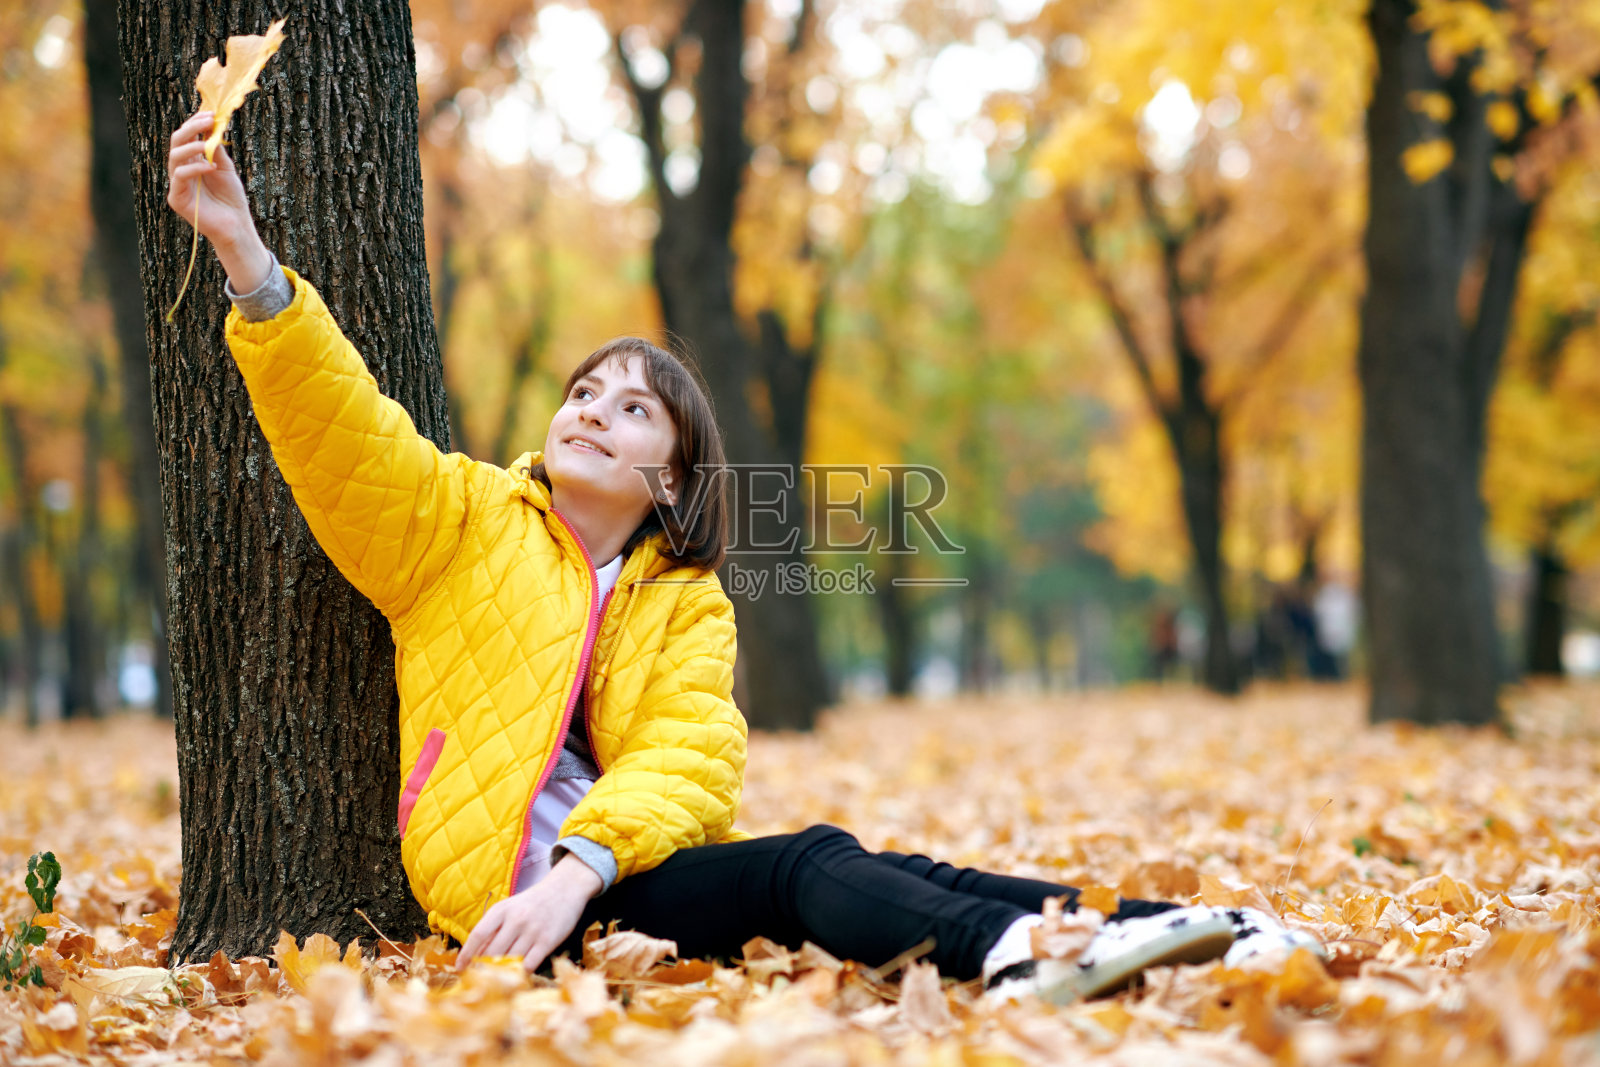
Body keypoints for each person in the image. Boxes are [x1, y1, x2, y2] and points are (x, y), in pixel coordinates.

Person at [165, 111, 1320, 1003]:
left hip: (602, 876)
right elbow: (342, 431)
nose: (589, 412)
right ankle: (1016, 953)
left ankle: (1167, 924)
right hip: (517, 896)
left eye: (631, 409)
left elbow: (689, 755)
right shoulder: (456, 524)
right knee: (802, 863)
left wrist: (590, 861)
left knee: (878, 859)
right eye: (582, 394)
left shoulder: (683, 601)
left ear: (671, 473)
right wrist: (246, 259)